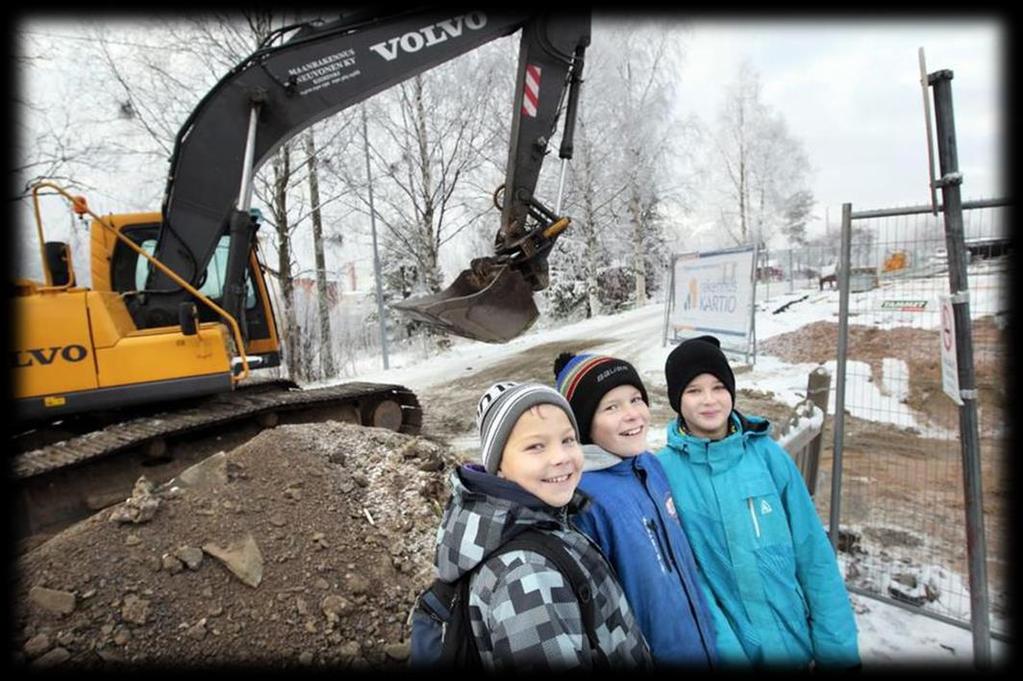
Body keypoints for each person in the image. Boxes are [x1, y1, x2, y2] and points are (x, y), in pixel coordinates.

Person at [656, 335, 861, 669]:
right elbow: (689, 581)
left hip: (797, 644)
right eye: (693, 390)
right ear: (676, 399)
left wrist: (838, 651)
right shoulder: (664, 473)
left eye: (719, 387)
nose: (709, 400)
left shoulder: (767, 457)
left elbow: (813, 554)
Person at [431, 380, 652, 670]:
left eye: (568, 440)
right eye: (535, 446)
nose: (560, 457)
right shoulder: (525, 574)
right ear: (498, 466)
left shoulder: (545, 522)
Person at [552, 352, 723, 668]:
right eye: (611, 407)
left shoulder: (650, 465)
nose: (632, 414)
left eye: (635, 399)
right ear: (584, 423)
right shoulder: (584, 498)